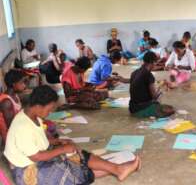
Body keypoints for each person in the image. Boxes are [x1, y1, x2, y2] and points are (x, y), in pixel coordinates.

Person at [4, 85, 141, 184]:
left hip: (38, 157)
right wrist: (62, 149)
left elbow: (39, 138)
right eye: (50, 109)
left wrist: (56, 142)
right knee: (72, 172)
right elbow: (36, 157)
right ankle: (120, 168)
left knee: (77, 154)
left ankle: (118, 169)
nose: (50, 113)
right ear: (38, 106)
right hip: (27, 171)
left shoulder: (33, 114)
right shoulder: (22, 127)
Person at [129, 52, 175, 118]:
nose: (155, 64)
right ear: (153, 62)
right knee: (171, 110)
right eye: (155, 62)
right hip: (140, 109)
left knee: (166, 107)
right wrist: (161, 88)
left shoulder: (135, 72)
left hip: (132, 108)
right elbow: (155, 97)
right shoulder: (149, 75)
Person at [0, 70, 25, 144]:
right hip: (11, 139)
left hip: (17, 132)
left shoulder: (15, 96)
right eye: (21, 83)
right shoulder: (6, 102)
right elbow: (11, 126)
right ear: (14, 84)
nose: (24, 85)